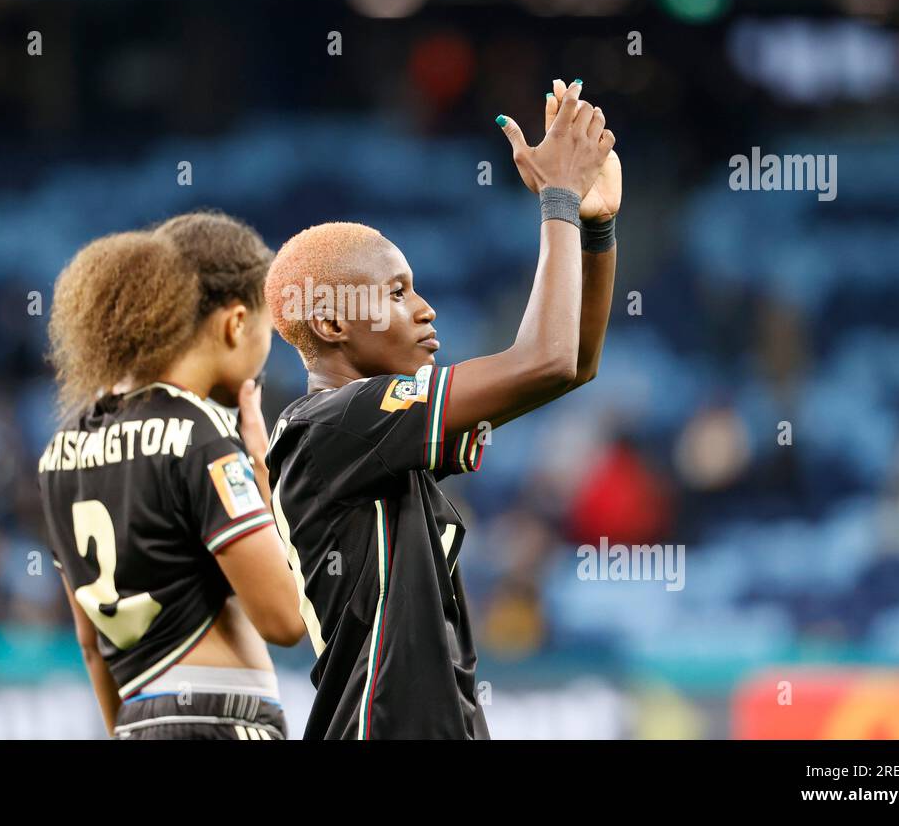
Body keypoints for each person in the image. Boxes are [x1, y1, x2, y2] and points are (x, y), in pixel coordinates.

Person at [263, 80, 621, 738]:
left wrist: (594, 228)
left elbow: (570, 366)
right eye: (398, 292)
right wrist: (559, 201)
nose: (426, 308)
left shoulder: (370, 433)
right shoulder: (337, 422)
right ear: (334, 322)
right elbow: (546, 360)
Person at [40, 212, 305, 740]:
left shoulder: (60, 451)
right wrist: (264, 475)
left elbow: (92, 648)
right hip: (223, 720)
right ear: (235, 323)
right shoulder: (199, 431)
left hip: (138, 721)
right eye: (267, 329)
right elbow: (285, 620)